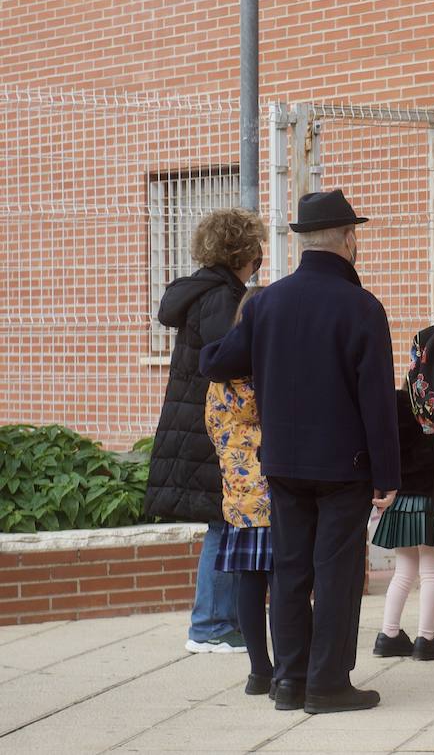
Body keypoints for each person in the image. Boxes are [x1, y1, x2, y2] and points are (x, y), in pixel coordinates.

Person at [200, 189, 400, 714]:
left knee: (290, 570)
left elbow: (219, 361)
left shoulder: (267, 302)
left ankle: (288, 681)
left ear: (304, 241)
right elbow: (376, 400)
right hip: (344, 466)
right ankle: (328, 683)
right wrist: (387, 472)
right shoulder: (362, 307)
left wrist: (208, 346)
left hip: (282, 464)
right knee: (336, 574)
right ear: (348, 239)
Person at [146, 206, 265, 655]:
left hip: (195, 425)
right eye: (256, 249)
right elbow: (229, 357)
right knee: (224, 521)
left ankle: (223, 621)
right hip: (215, 429)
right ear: (242, 251)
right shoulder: (221, 297)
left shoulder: (202, 291)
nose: (260, 257)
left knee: (228, 520)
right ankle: (211, 625)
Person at [205, 287, 273, 694]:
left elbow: (213, 428)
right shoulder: (272, 373)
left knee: (250, 583)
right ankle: (287, 664)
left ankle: (258, 671)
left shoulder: (219, 378)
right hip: (278, 493)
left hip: (240, 497)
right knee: (285, 583)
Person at [371, 389, 434, 661]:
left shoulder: (400, 401)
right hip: (430, 499)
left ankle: (389, 634)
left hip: (400, 498)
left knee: (404, 571)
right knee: (432, 572)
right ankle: (426, 637)